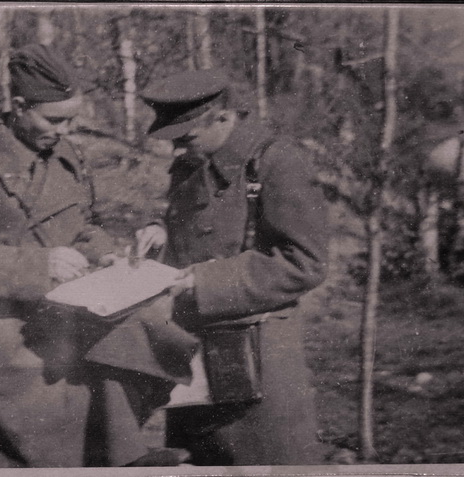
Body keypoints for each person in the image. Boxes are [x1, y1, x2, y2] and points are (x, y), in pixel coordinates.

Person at [0, 43, 194, 468]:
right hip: (11, 338)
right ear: (20, 108)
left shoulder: (67, 158)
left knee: (114, 394)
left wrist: (106, 255)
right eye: (54, 120)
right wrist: (41, 265)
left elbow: (84, 225)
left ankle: (127, 457)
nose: (65, 130)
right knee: (28, 453)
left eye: (71, 119)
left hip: (72, 323)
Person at [138, 69, 330, 466]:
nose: (176, 148)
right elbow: (199, 224)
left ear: (224, 118)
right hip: (194, 354)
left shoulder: (277, 162)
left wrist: (204, 281)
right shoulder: (194, 159)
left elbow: (304, 261)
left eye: (186, 137)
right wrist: (160, 232)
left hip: (257, 357)